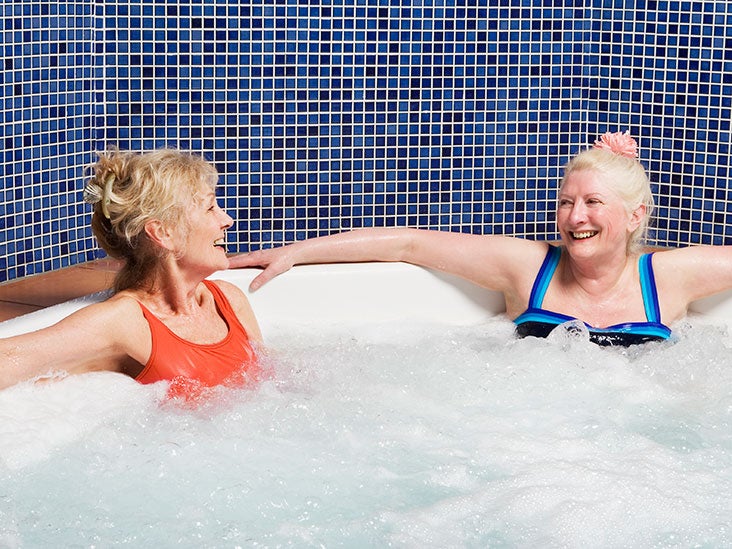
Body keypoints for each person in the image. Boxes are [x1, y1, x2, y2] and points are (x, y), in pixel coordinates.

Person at [229, 131, 732, 346]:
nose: (574, 217)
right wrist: (294, 252)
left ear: (634, 215)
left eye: (593, 203)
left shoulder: (670, 276)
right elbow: (410, 245)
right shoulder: (526, 266)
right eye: (565, 201)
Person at [0, 148, 262, 396]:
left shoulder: (229, 300)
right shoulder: (124, 321)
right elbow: (11, 359)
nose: (227, 220)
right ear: (162, 233)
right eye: (210, 208)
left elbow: (268, 383)